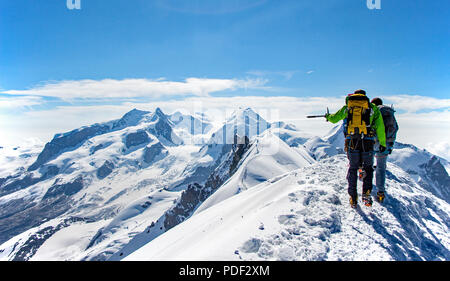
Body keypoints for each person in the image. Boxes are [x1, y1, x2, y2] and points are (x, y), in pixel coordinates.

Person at [325, 90, 386, 208]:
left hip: (352, 141)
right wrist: (382, 143)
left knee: (353, 168)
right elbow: (380, 127)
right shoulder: (372, 108)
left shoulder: (348, 107)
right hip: (368, 142)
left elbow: (334, 119)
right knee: (368, 168)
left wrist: (327, 116)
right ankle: (366, 194)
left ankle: (353, 196)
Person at [370, 97, 399, 203]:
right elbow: (396, 128)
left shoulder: (374, 112)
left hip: (374, 142)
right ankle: (380, 192)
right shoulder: (390, 113)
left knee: (368, 162)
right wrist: (390, 145)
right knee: (381, 167)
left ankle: (364, 177)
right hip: (386, 143)